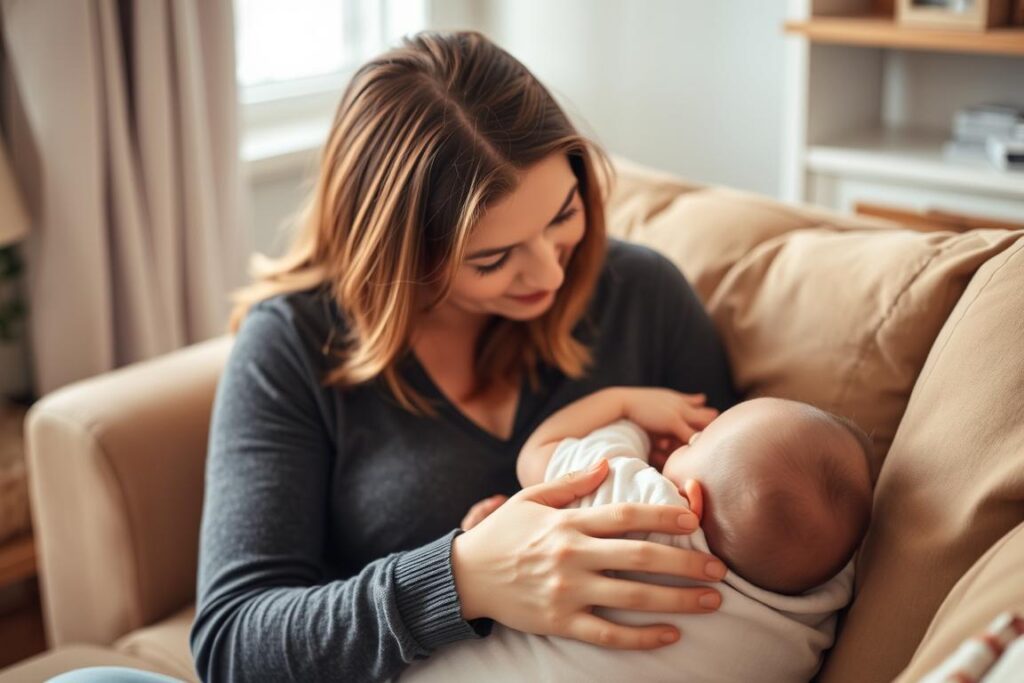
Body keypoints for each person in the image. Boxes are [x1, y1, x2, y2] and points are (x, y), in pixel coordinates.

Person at [43, 30, 739, 683]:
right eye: (493, 258)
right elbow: (232, 640)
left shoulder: (643, 296)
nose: (550, 276)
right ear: (399, 254)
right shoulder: (291, 344)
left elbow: (744, 512)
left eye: (563, 214)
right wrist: (463, 576)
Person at [398, 393, 874, 682]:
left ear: (692, 502)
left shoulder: (639, 502)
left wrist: (625, 411)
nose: (688, 440)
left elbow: (536, 456)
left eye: (697, 440)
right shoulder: (806, 624)